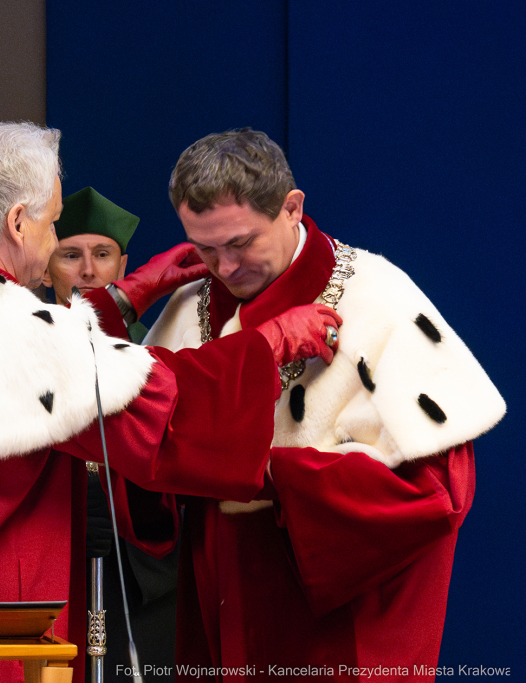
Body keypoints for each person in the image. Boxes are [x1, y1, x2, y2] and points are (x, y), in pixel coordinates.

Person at [0, 122, 339, 683]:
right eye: (51, 222)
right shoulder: (13, 328)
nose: (52, 243)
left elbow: (57, 361)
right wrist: (272, 342)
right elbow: (161, 408)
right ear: (17, 223)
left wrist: (126, 293)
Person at [133, 129, 505, 680]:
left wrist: (270, 476)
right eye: (206, 249)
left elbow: (440, 489)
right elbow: (134, 441)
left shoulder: (377, 294)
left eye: (241, 243)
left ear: (291, 208)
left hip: (329, 604)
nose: (225, 268)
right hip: (220, 590)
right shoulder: (190, 304)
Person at [44, 186, 186, 678]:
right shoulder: (24, 348)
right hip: (53, 556)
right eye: (70, 255)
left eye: (102, 255)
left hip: (143, 570)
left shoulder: (160, 347)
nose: (88, 271)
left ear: (123, 267)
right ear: (44, 267)